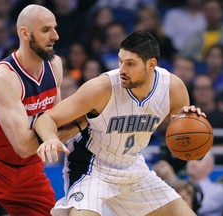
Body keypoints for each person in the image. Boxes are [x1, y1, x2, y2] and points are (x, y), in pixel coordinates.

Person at [34, 30, 206, 216]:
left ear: (151, 65)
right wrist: (50, 138)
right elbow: (46, 119)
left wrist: (192, 120)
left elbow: (183, 133)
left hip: (132, 166)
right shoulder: (101, 88)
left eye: (130, 64)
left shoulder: (173, 88)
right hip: (92, 168)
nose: (122, 69)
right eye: (120, 61)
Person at [0, 4, 85, 215]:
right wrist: (80, 124)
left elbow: (57, 122)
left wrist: (58, 132)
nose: (55, 36)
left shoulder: (55, 66)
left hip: (28, 169)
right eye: (46, 30)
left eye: (54, 28)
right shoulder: (4, 77)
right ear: (25, 33)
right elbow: (24, 146)